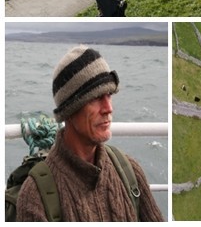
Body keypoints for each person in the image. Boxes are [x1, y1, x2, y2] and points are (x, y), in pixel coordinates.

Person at [16, 46, 164, 222]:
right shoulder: (35, 196)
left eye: (109, 94)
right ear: (70, 109)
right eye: (96, 97)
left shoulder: (129, 171)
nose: (109, 108)